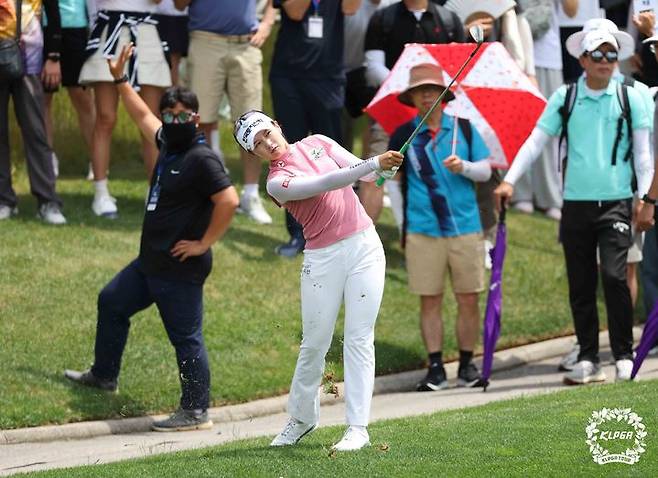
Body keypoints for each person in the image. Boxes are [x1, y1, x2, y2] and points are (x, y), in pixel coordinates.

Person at [65, 44, 239, 431]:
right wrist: (120, 79)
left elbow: (229, 200)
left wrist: (203, 243)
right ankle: (104, 375)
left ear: (196, 118)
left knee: (186, 339)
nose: (175, 120)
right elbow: (141, 114)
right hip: (150, 264)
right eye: (170, 114)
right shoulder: (169, 144)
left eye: (184, 115)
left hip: (180, 268)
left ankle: (195, 411)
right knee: (111, 302)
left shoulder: (201, 157)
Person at [233, 110, 402, 451]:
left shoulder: (319, 143)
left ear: (277, 126)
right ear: (254, 154)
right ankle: (302, 417)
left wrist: (385, 168)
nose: (268, 143)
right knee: (315, 343)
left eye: (267, 133)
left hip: (364, 247)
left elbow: (366, 177)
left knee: (358, 338)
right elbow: (327, 182)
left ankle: (357, 428)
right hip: (323, 259)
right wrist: (373, 164)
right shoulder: (275, 183)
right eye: (258, 144)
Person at [495, 27, 654, 385]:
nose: (604, 61)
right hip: (575, 204)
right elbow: (536, 141)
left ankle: (623, 355)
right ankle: (587, 356)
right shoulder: (565, 96)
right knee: (580, 284)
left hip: (616, 202)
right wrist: (509, 179)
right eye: (596, 55)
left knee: (614, 277)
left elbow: (644, 156)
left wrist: (644, 198)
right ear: (582, 59)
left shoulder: (633, 97)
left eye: (611, 54)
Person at [386, 64, 492, 391]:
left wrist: (465, 167)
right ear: (413, 97)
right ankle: (435, 368)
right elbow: (392, 183)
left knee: (469, 298)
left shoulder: (465, 129)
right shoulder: (403, 135)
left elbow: (486, 172)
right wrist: (404, 226)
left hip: (465, 227)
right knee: (429, 300)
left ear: (444, 95)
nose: (427, 94)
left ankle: (466, 364)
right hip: (422, 229)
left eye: (432, 89)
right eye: (421, 90)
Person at [269, 0, 362, 258]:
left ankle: (342, 228)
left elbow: (352, 7)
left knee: (333, 156)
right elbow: (295, 11)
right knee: (290, 157)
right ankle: (298, 234)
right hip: (289, 76)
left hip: (328, 77)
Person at [361, 0, 465, 226]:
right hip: (391, 108)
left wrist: (427, 95)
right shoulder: (383, 18)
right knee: (373, 171)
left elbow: (458, 68)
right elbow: (373, 66)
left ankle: (431, 236)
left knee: (441, 174)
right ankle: (359, 239)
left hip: (437, 113)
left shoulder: (449, 20)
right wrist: (408, 90)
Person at [174, 0, 276, 225]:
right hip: (205, 41)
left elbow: (272, 3)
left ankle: (250, 195)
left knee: (254, 126)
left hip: (247, 45)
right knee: (200, 123)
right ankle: (209, 193)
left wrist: (267, 24)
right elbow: (179, 5)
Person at [79, 0, 172, 218]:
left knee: (151, 122)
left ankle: (155, 191)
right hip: (110, 28)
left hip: (147, 30)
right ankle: (100, 192)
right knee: (105, 117)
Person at [0, 0, 67, 224]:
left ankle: (48, 201)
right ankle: (4, 200)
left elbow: (53, 10)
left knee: (35, 131)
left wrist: (54, 56)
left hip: (29, 57)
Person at [42, 0, 96, 179]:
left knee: (83, 98)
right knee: (43, 99)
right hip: (44, 25)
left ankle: (96, 159)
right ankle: (48, 158)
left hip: (76, 26)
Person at [155, 0, 189, 86]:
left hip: (176, 19)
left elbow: (180, 6)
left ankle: (172, 97)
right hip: (148, 16)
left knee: (171, 73)